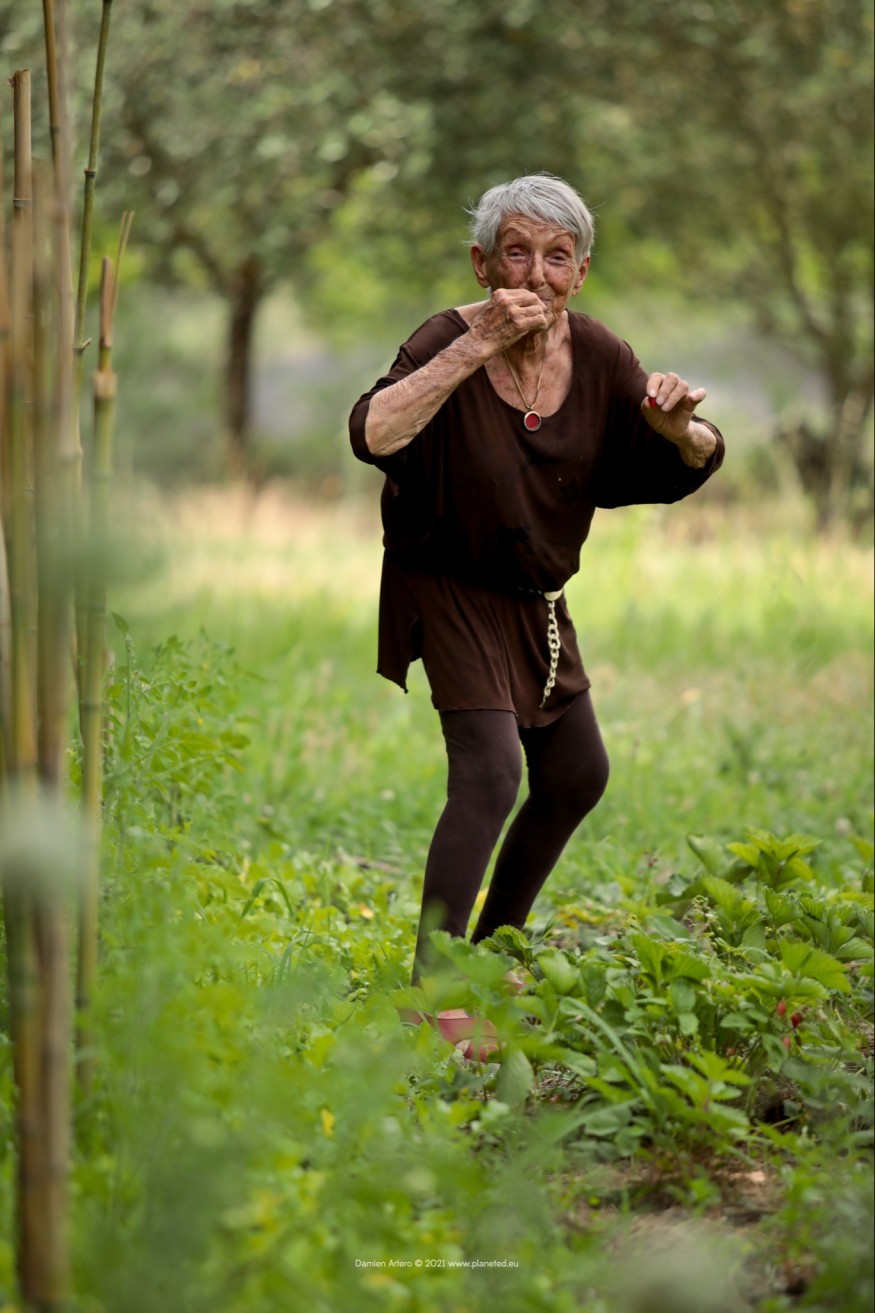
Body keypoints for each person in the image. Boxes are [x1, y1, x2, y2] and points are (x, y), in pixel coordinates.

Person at [349, 173, 724, 993]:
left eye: (557, 256)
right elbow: (373, 431)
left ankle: (489, 957)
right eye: (515, 253)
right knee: (488, 773)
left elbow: (678, 453)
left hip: (536, 598)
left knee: (576, 775)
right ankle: (436, 993)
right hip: (444, 582)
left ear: (580, 272)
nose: (536, 274)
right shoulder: (444, 336)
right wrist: (473, 345)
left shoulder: (597, 354)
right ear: (482, 265)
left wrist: (679, 431)